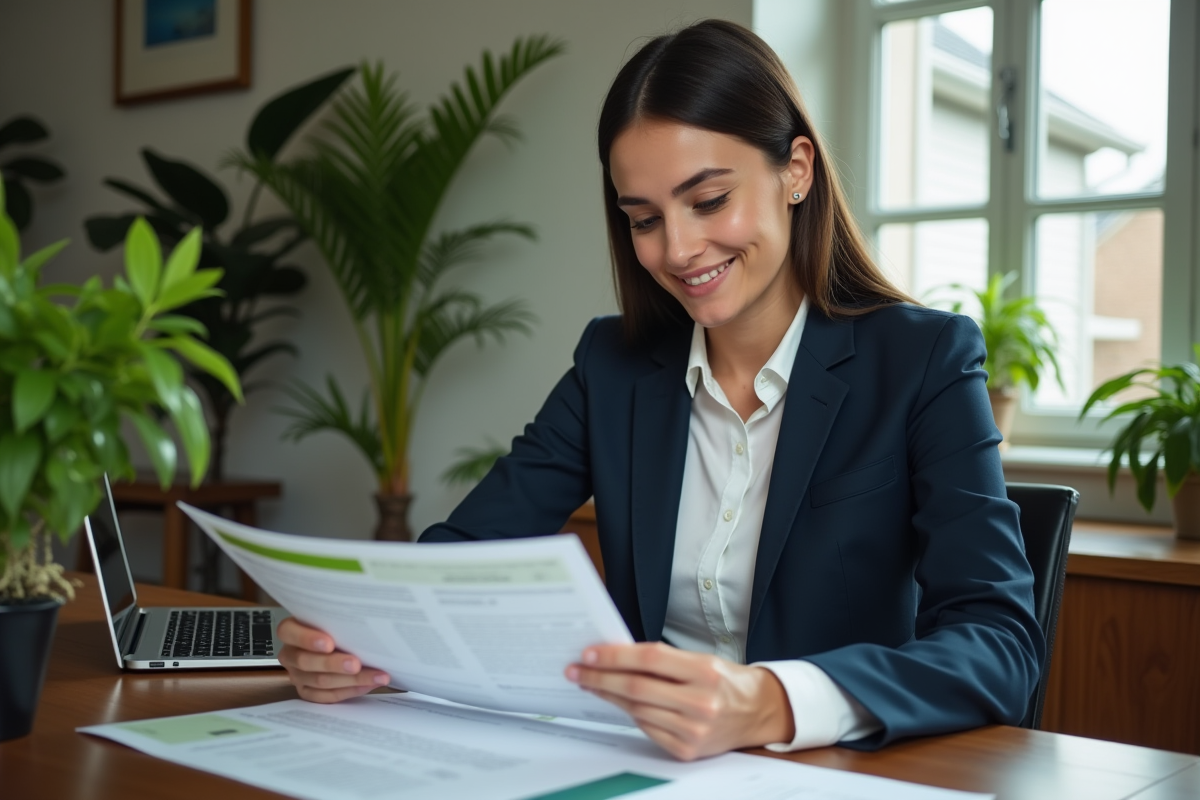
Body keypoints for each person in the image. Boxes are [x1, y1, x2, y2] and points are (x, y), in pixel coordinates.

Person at [276, 19, 1043, 761]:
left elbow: (999, 643)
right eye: (644, 218)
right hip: (640, 762)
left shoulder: (921, 359)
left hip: (824, 771)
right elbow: (464, 554)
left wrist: (774, 701)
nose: (677, 250)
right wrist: (354, 639)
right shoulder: (613, 365)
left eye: (709, 201)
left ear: (796, 171)